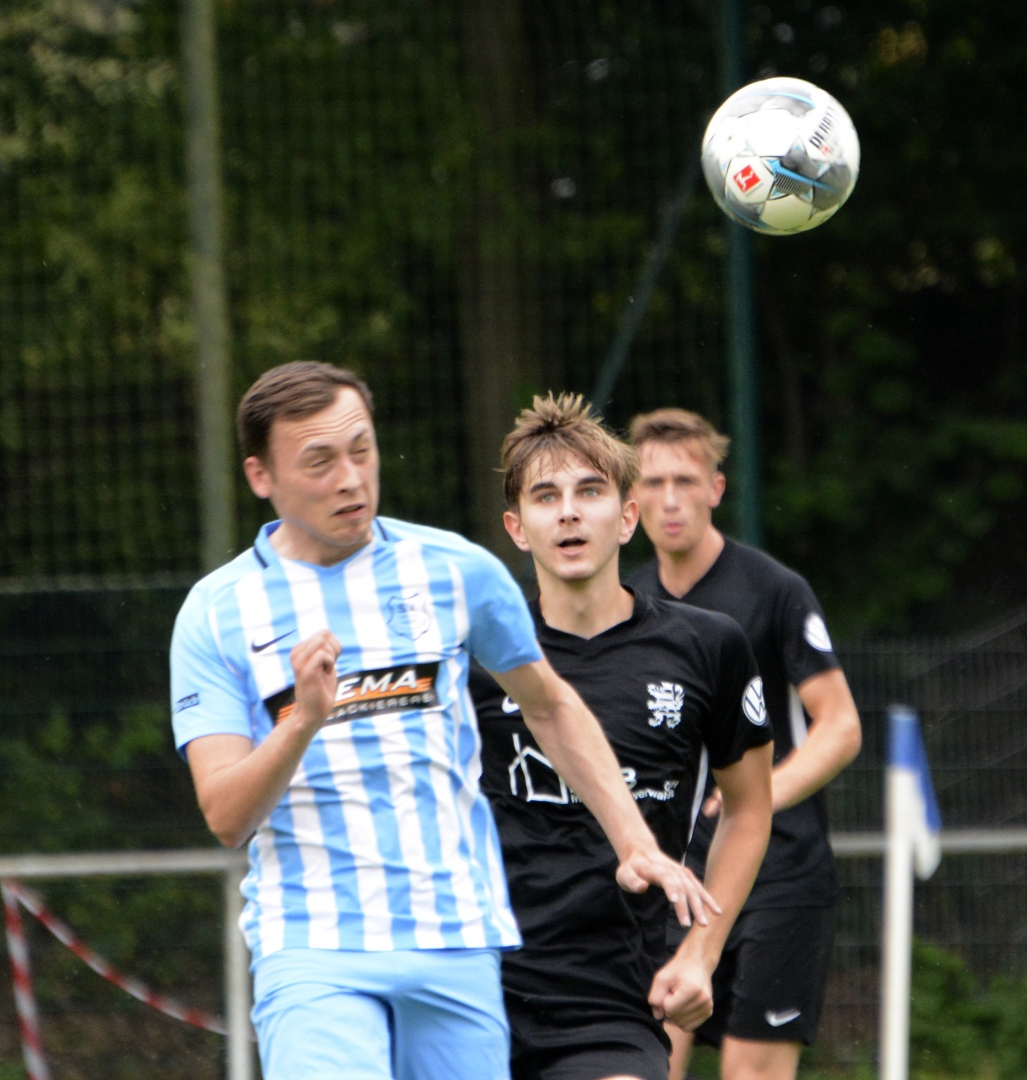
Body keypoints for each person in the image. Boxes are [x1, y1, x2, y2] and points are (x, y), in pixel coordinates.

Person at [169, 362, 700, 1080]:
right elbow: (226, 816)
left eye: (361, 450)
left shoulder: (454, 570)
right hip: (314, 948)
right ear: (261, 476)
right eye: (319, 462)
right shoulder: (215, 612)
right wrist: (301, 723)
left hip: (457, 942)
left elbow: (549, 705)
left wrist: (633, 841)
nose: (351, 479)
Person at [469, 393, 774, 1080]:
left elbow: (750, 808)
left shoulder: (707, 647)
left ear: (627, 516)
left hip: (611, 1002)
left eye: (589, 491)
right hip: (474, 989)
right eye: (545, 497)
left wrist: (699, 953)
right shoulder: (474, 659)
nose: (569, 512)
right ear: (517, 528)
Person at [626, 408, 862, 1080]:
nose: (670, 500)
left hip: (779, 876)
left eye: (684, 480)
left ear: (715, 488)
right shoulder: (627, 602)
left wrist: (753, 799)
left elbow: (840, 726)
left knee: (749, 1071)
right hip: (677, 879)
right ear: (631, 498)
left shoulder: (773, 591)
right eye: (653, 483)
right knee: (645, 1061)